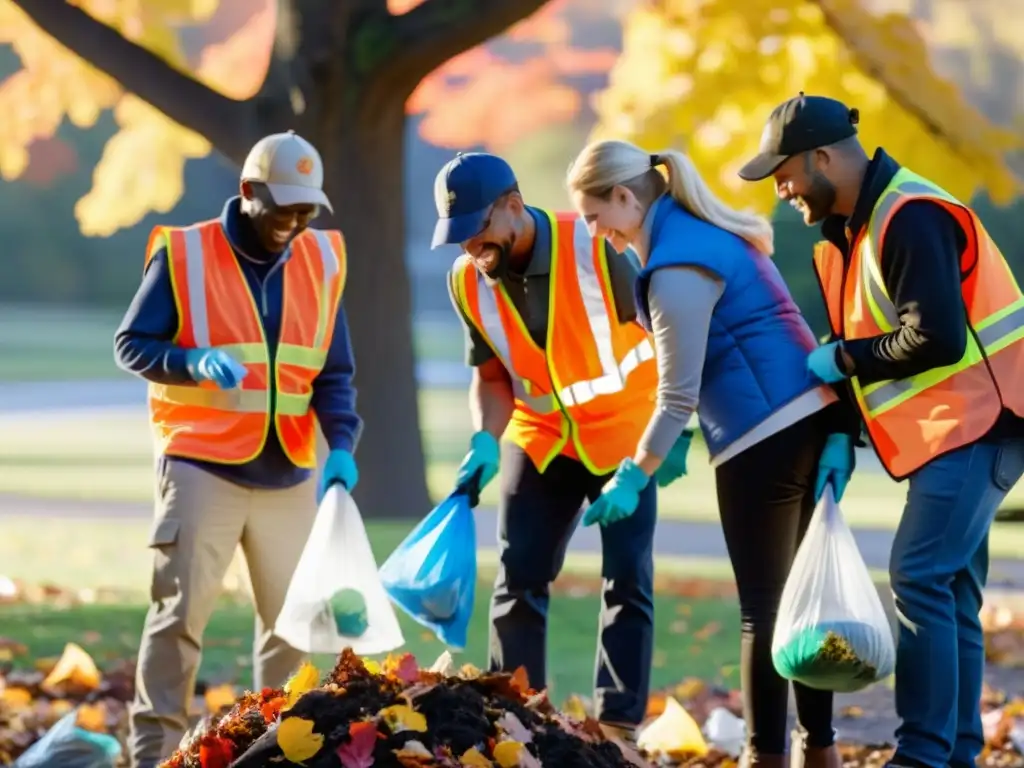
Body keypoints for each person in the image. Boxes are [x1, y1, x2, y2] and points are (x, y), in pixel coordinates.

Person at [737, 92, 1024, 768]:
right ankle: (953, 753)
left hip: (986, 419)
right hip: (958, 426)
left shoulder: (910, 216)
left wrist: (844, 359)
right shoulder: (848, 237)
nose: (781, 189)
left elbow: (936, 339)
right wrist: (843, 429)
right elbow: (862, 342)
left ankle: (921, 755)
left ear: (823, 157)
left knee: (919, 573)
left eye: (784, 172)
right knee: (949, 587)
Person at [565, 138, 858, 768]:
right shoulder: (712, 236)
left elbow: (676, 396)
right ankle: (820, 750)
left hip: (762, 438)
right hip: (808, 422)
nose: (595, 232)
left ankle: (765, 756)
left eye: (596, 216)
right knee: (802, 601)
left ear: (624, 197)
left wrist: (632, 474)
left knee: (765, 609)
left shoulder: (675, 268)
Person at [114, 130, 362, 768]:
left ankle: (270, 757)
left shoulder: (323, 260)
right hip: (203, 465)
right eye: (284, 208)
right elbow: (131, 344)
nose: (296, 222)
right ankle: (156, 758)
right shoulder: (186, 254)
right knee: (178, 626)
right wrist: (191, 362)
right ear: (250, 193)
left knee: (290, 636)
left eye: (307, 210)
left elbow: (333, 375)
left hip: (289, 475)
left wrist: (341, 444)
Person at [430, 151, 683, 743]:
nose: (471, 247)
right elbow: (492, 375)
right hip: (541, 438)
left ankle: (617, 727)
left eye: (478, 229)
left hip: (625, 437)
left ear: (514, 207)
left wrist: (674, 434)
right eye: (459, 237)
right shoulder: (467, 281)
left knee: (626, 577)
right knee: (518, 575)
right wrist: (483, 440)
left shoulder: (598, 245)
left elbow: (673, 337)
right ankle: (515, 718)